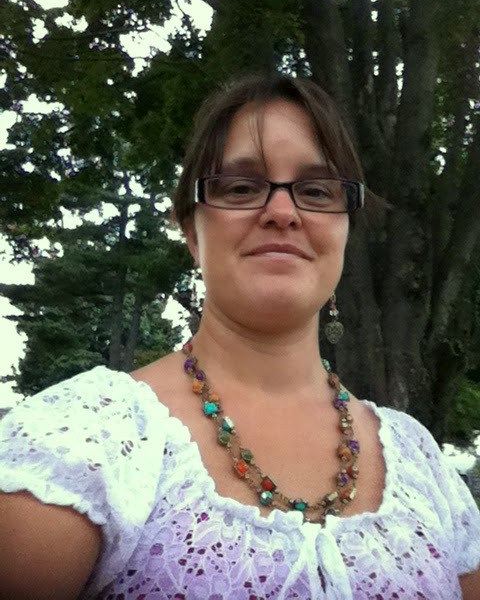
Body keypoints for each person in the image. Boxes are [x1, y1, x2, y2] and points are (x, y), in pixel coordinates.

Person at [0, 74, 479, 600]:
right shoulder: (87, 439)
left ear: (345, 231)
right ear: (192, 232)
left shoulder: (419, 461)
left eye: (316, 191)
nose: (282, 212)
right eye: (241, 188)